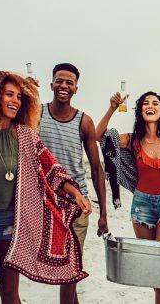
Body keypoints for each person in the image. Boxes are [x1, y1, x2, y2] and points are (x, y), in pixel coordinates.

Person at [0, 71, 92, 304]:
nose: (15, 101)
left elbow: (51, 168)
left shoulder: (25, 135)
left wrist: (76, 194)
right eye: (9, 94)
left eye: (20, 97)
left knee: (9, 289)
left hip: (9, 219)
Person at [97, 91, 160, 304]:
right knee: (152, 265)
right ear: (140, 111)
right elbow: (99, 136)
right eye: (146, 103)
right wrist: (113, 107)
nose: (151, 106)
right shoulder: (132, 140)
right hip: (141, 206)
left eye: (155, 103)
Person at [39, 63, 108, 304]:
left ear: (76, 88)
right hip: (43, 203)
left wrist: (103, 215)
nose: (64, 86)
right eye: (59, 81)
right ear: (51, 85)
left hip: (76, 204)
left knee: (69, 271)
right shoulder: (36, 114)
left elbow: (97, 170)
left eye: (69, 82)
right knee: (57, 270)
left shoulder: (84, 122)